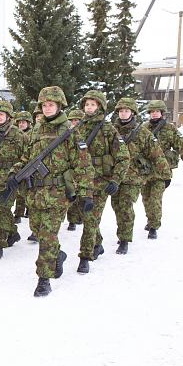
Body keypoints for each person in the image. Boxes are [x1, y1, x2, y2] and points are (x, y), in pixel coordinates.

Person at [6, 86, 94, 297]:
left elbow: (83, 165)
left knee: (47, 235)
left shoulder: (70, 131)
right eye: (44, 105)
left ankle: (43, 278)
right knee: (38, 230)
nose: (47, 108)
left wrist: (86, 193)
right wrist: (14, 172)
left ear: (59, 106)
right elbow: (26, 157)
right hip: (34, 193)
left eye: (51, 105)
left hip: (57, 193)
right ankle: (58, 255)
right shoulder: (36, 130)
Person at [74, 90, 129, 274]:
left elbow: (123, 157)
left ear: (100, 107)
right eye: (87, 104)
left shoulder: (108, 130)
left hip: (100, 183)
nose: (89, 107)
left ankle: (85, 256)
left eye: (93, 104)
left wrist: (116, 180)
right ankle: (97, 244)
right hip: (81, 182)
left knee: (90, 219)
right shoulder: (77, 128)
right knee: (86, 216)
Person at [111, 98, 170, 254]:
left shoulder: (142, 132)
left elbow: (156, 154)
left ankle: (124, 239)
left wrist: (166, 174)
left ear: (133, 113)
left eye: (127, 111)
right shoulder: (110, 130)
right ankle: (123, 231)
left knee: (125, 206)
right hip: (115, 176)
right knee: (116, 206)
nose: (123, 114)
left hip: (133, 177)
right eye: (121, 111)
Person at [140, 99, 183, 239]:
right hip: (145, 169)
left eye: (157, 111)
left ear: (162, 113)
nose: (154, 114)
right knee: (146, 198)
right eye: (152, 112)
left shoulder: (169, 129)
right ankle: (150, 220)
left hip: (161, 170)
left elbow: (182, 145)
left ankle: (154, 226)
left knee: (155, 199)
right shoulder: (143, 128)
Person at [0, 100, 27, 261]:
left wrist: (17, 175)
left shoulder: (18, 134)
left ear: (8, 116)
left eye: (2, 114)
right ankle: (13, 233)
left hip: (10, 178)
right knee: (0, 208)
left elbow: (26, 156)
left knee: (1, 208)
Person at [65, 109, 86, 231]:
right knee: (72, 194)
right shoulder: (67, 132)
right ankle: (72, 220)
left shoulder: (86, 132)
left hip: (83, 167)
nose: (74, 122)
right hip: (69, 169)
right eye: (72, 120)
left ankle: (81, 216)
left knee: (82, 195)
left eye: (77, 120)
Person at [12, 111, 34, 223]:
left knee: (29, 190)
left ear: (29, 123)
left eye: (23, 122)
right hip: (17, 164)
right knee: (19, 193)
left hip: (29, 165)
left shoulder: (33, 134)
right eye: (19, 122)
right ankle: (18, 213)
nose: (21, 124)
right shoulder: (16, 134)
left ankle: (30, 210)